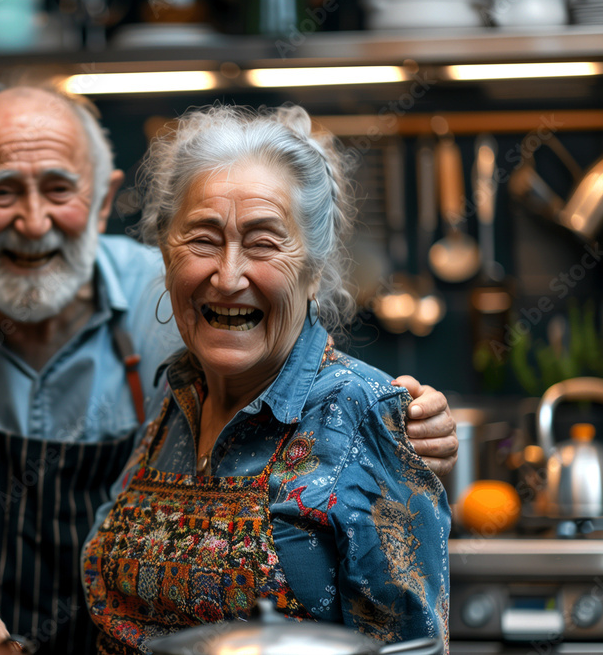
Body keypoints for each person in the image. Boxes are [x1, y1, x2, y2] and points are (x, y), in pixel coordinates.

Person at [0, 82, 457, 655]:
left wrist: (400, 422)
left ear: (102, 201)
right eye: (1, 191)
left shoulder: (184, 313)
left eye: (59, 189)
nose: (33, 222)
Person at [82, 104, 451, 654]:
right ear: (165, 253)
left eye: (263, 243)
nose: (228, 276)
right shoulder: (177, 396)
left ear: (314, 270)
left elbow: (411, 649)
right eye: (203, 239)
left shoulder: (362, 413)